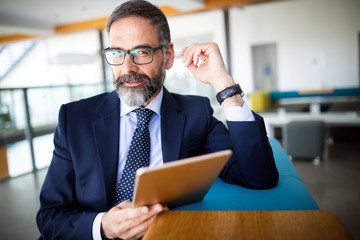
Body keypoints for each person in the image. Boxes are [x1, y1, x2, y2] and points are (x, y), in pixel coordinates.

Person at [36, 0, 279, 239]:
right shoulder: (75, 119)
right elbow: (50, 216)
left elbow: (258, 176)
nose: (127, 67)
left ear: (168, 55)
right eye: (117, 52)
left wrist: (224, 85)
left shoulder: (196, 113)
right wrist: (104, 227)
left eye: (141, 52)